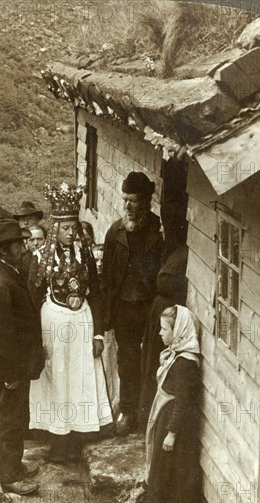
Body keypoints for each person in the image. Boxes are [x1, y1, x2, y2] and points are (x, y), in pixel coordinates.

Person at [28, 182, 112, 463]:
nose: (71, 232)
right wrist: (36, 339)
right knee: (57, 376)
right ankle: (57, 438)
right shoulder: (40, 257)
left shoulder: (85, 255)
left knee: (80, 377)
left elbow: (97, 294)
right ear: (55, 228)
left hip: (82, 323)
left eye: (73, 226)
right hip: (54, 321)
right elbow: (34, 296)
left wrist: (98, 335)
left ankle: (80, 433)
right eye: (65, 227)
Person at [0, 219, 43, 496]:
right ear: (4, 250)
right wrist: (10, 374)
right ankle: (9, 476)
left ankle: (4, 461)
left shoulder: (7, 270)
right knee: (9, 416)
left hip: (13, 362)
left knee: (5, 411)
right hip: (9, 364)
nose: (23, 246)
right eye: (18, 243)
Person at [102, 172, 163, 436]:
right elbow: (106, 276)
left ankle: (147, 411)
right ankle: (127, 410)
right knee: (126, 360)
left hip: (149, 307)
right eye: (125, 199)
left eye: (134, 201)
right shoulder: (115, 232)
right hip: (123, 309)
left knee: (152, 359)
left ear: (146, 202)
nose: (127, 206)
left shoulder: (159, 231)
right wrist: (106, 314)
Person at [143, 305, 201, 503]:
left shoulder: (186, 363)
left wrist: (172, 432)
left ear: (178, 332)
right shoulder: (175, 354)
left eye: (164, 329)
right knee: (162, 464)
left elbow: (184, 401)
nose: (160, 333)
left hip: (179, 427)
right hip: (167, 418)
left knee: (181, 472)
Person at [138, 202, 188, 429]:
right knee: (149, 361)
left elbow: (168, 282)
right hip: (159, 310)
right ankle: (145, 413)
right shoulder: (170, 249)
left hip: (169, 312)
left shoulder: (184, 253)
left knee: (158, 362)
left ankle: (153, 415)